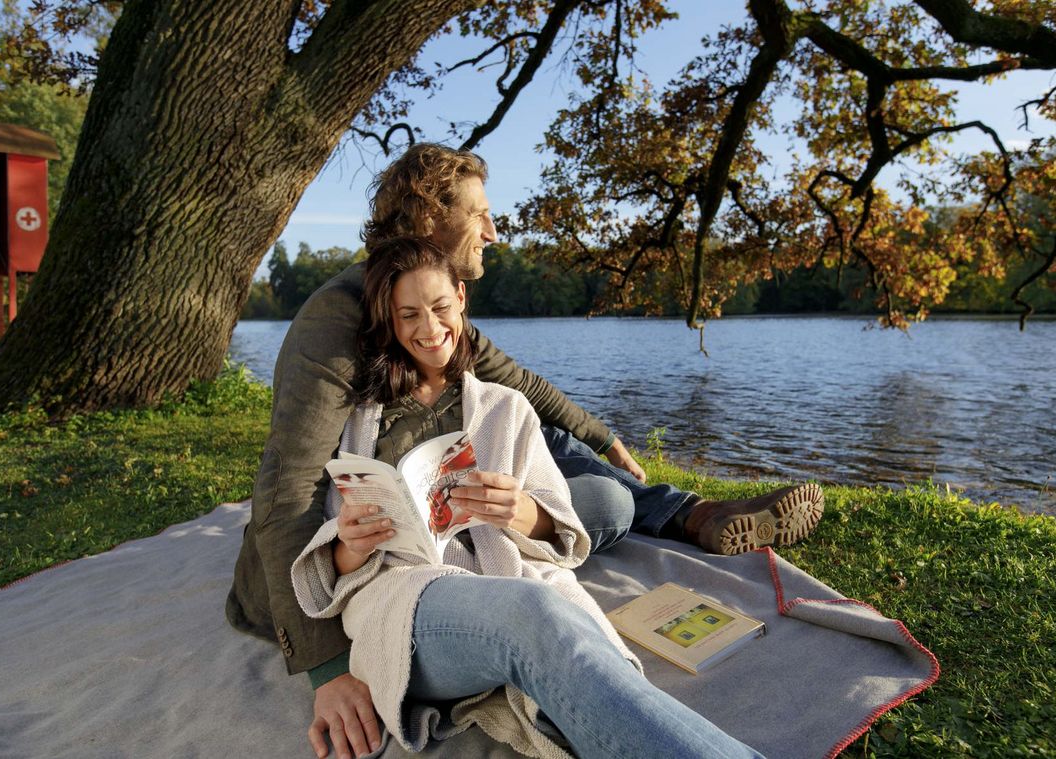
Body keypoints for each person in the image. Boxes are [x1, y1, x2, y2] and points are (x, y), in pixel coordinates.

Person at [226, 143, 822, 758]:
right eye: (478, 213)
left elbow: (521, 385)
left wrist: (603, 438)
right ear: (430, 216)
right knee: (539, 605)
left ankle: (688, 513)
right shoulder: (342, 318)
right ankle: (682, 520)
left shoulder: (444, 307)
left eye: (439, 310)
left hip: (467, 532)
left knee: (602, 496)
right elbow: (288, 489)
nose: (492, 229)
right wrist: (327, 668)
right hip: (385, 559)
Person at [288, 237, 764, 758]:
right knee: (536, 615)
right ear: (391, 322)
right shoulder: (359, 420)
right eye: (409, 315)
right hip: (407, 600)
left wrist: (521, 512)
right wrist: (352, 545)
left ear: (462, 302)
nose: (429, 329)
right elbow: (331, 557)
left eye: (441, 308)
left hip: (506, 576)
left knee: (557, 621)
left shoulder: (505, 408)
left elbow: (558, 525)